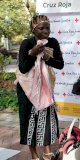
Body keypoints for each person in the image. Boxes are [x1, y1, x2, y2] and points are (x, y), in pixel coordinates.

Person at [16, 15, 64, 160]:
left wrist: (48, 58)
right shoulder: (27, 43)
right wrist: (33, 53)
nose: (45, 31)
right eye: (41, 28)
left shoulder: (53, 42)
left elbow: (60, 64)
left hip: (45, 87)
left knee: (46, 120)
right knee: (30, 121)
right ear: (33, 29)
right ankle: (34, 155)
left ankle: (47, 153)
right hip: (27, 89)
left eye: (47, 27)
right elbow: (23, 68)